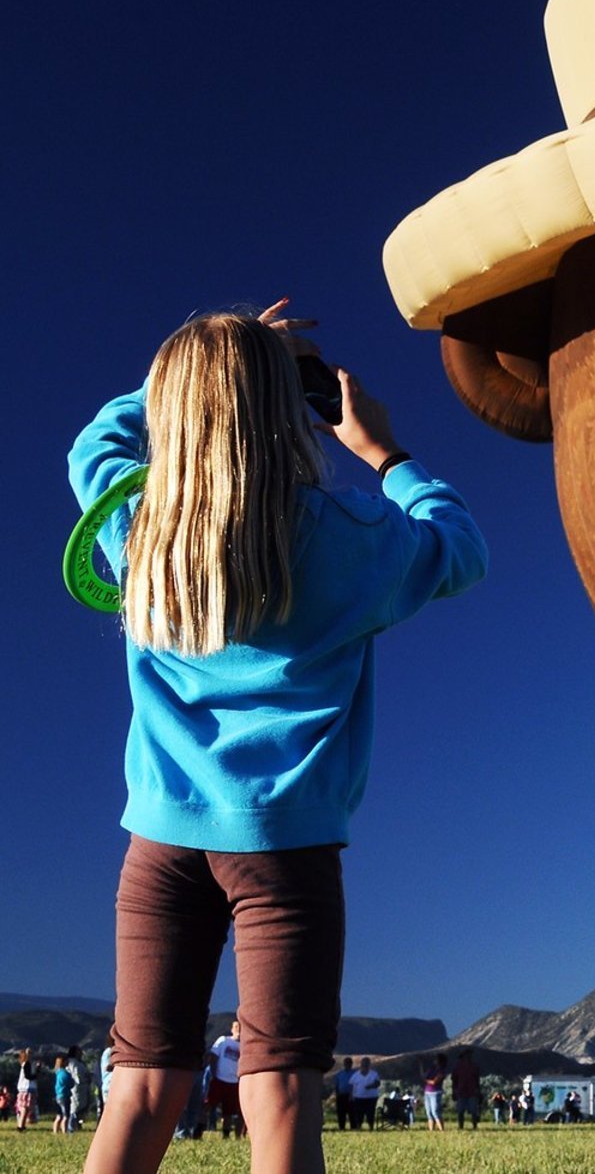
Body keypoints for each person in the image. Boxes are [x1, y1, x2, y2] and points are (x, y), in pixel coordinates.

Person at [70, 308, 487, 1174]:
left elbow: (91, 450)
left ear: (175, 410)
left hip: (159, 845)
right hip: (288, 849)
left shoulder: (140, 529)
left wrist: (182, 378)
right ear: (284, 410)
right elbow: (462, 548)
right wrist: (384, 454)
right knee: (283, 1091)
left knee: (141, 1089)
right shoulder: (352, 537)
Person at [206, 1021, 245, 1138]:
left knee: (229, 1112)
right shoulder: (223, 1040)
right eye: (236, 1027)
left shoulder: (244, 1046)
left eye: (241, 1028)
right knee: (208, 1105)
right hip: (219, 1079)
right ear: (232, 1029)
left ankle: (227, 1135)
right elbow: (213, 1056)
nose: (239, 1030)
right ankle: (197, 1131)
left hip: (234, 1083)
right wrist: (213, 1074)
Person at [450, 1048, 482, 1130]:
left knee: (473, 1111)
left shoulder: (474, 1066)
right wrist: (454, 1091)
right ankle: (461, 1127)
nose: (469, 1056)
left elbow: (477, 1080)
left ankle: (474, 1126)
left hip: (471, 1091)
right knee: (461, 1111)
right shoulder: (458, 1067)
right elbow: (454, 1080)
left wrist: (478, 1091)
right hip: (461, 1092)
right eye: (468, 1055)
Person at [349, 1058, 381, 1131]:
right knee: (359, 1113)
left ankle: (371, 1127)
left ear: (369, 1064)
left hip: (371, 1097)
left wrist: (371, 1086)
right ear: (361, 1064)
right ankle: (358, 1127)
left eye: (366, 1063)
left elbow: (378, 1083)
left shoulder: (374, 1074)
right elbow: (351, 1085)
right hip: (358, 1097)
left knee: (370, 1113)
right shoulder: (356, 1075)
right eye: (363, 1063)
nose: (365, 1065)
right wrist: (351, 1095)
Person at [420, 1053, 447, 1131]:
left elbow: (434, 1082)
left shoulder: (441, 1071)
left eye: (436, 1059)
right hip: (427, 1092)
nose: (434, 1060)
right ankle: (431, 1130)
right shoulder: (432, 1069)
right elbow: (423, 1075)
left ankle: (442, 1130)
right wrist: (420, 1065)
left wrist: (425, 1080)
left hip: (435, 1092)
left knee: (435, 1111)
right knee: (429, 1112)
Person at [15, 1050, 36, 1130]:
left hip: (24, 1088)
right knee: (25, 1108)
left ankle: (21, 1124)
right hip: (27, 1088)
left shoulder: (25, 1064)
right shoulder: (27, 1064)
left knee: (25, 1108)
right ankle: (21, 1126)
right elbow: (28, 1076)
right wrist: (37, 1073)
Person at [332, 1059, 353, 1132]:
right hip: (341, 1095)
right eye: (346, 1063)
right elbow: (336, 1085)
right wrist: (336, 1095)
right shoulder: (339, 1074)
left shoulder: (354, 1073)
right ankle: (341, 1127)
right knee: (341, 1112)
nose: (347, 1064)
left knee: (352, 1113)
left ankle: (353, 1127)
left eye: (349, 1063)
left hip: (351, 1095)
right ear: (344, 1064)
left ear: (351, 1064)